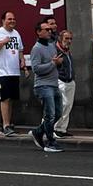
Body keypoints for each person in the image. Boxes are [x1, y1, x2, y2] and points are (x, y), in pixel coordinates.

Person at [0, 11, 25, 136]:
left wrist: (23, 61)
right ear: (3, 20)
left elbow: (20, 50)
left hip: (13, 72)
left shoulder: (16, 33)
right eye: (9, 19)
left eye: (14, 19)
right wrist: (2, 42)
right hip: (0, 72)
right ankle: (6, 125)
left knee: (11, 99)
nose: (12, 21)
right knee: (5, 98)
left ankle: (8, 124)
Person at [29, 20, 65, 153]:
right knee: (49, 115)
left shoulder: (51, 46)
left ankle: (38, 132)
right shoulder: (36, 48)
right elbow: (36, 69)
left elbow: (55, 63)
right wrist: (53, 64)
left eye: (50, 30)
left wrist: (59, 63)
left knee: (58, 113)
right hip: (43, 86)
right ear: (39, 32)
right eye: (46, 30)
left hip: (54, 84)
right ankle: (50, 142)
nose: (50, 31)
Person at [54, 29, 76, 138]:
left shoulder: (67, 50)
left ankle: (62, 129)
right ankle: (56, 128)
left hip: (70, 81)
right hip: (60, 80)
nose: (69, 41)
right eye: (66, 38)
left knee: (68, 106)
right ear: (60, 38)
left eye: (70, 38)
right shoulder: (56, 50)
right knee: (63, 104)